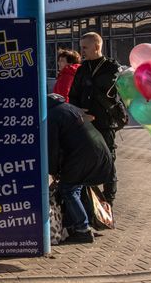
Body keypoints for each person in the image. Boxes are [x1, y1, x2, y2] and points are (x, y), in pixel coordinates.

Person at [47, 94, 116, 244]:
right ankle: (73, 227)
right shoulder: (68, 108)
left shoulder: (51, 116)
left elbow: (52, 147)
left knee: (68, 189)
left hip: (83, 155)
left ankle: (82, 229)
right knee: (74, 188)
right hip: (97, 150)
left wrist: (52, 170)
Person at [68, 32, 121, 204]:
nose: (81, 51)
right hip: (85, 123)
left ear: (97, 46)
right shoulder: (82, 69)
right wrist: (79, 112)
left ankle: (108, 201)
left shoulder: (112, 67)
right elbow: (73, 94)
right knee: (85, 162)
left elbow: (116, 95)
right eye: (81, 47)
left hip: (105, 123)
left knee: (108, 161)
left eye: (85, 47)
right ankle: (89, 203)